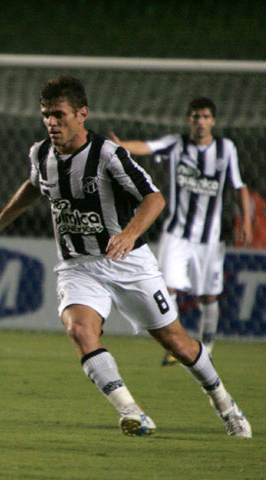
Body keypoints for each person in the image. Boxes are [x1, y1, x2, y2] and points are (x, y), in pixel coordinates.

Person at [0, 76, 251, 438]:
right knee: (80, 330)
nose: (51, 123)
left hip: (129, 263)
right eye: (45, 115)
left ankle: (225, 403)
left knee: (176, 342)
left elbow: (154, 198)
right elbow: (34, 185)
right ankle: (131, 412)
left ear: (82, 114)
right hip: (77, 265)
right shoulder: (40, 153)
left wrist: (129, 233)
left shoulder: (108, 155)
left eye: (59, 114)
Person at [110, 97, 253, 364]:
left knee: (208, 294)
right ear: (189, 120)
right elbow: (148, 147)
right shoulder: (177, 144)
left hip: (209, 239)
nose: (200, 121)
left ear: (213, 121)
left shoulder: (226, 148)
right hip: (177, 234)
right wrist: (121, 147)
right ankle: (178, 346)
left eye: (205, 116)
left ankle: (207, 346)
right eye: (196, 116)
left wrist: (245, 221)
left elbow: (238, 186)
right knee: (169, 289)